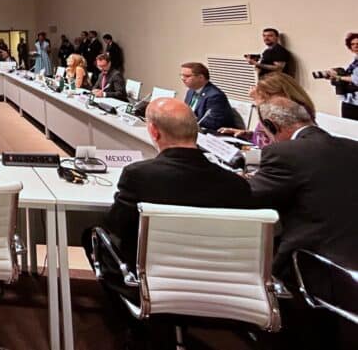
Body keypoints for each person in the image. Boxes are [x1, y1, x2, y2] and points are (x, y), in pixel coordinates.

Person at [84, 98, 252, 343]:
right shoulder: (236, 184)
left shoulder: (139, 175)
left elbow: (116, 225)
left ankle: (135, 324)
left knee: (92, 235)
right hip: (223, 285)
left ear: (153, 131)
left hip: (151, 279)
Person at [249, 97, 358, 348]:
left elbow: (251, 198)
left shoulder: (284, 152)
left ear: (271, 125)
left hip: (314, 265)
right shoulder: (352, 146)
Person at [218, 72, 316, 147]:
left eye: (266, 96)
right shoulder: (275, 110)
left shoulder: (296, 112)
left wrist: (259, 103)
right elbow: (268, 136)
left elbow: (278, 142)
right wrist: (249, 135)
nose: (265, 101)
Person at [180, 61, 234, 130]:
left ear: (201, 77)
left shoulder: (215, 96)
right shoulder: (191, 91)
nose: (182, 78)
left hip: (212, 133)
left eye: (187, 76)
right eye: (181, 75)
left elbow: (214, 122)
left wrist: (189, 120)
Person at [322, 31, 358, 120]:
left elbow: (356, 79)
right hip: (349, 101)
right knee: (347, 129)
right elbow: (347, 77)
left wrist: (339, 77)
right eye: (352, 44)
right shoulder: (353, 63)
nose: (355, 46)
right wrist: (333, 74)